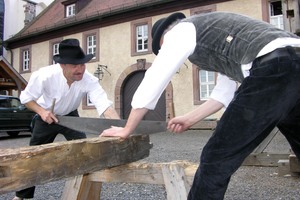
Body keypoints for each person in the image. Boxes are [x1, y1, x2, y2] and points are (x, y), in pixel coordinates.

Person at [101, 11, 300, 199]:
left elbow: (155, 77)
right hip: (293, 60)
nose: (163, 51)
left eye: (161, 48)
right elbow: (224, 93)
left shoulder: (180, 31)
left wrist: (127, 128)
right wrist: (190, 119)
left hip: (274, 68)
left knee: (216, 158)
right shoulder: (216, 36)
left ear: (164, 37)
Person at [13, 38, 119, 200]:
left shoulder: (88, 79)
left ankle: (86, 191)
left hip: (70, 116)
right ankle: (22, 196)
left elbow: (104, 105)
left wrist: (119, 127)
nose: (80, 70)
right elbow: (26, 98)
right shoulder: (44, 75)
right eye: (75, 66)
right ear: (62, 65)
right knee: (33, 157)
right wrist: (41, 112)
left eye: (82, 65)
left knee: (84, 151)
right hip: (46, 117)